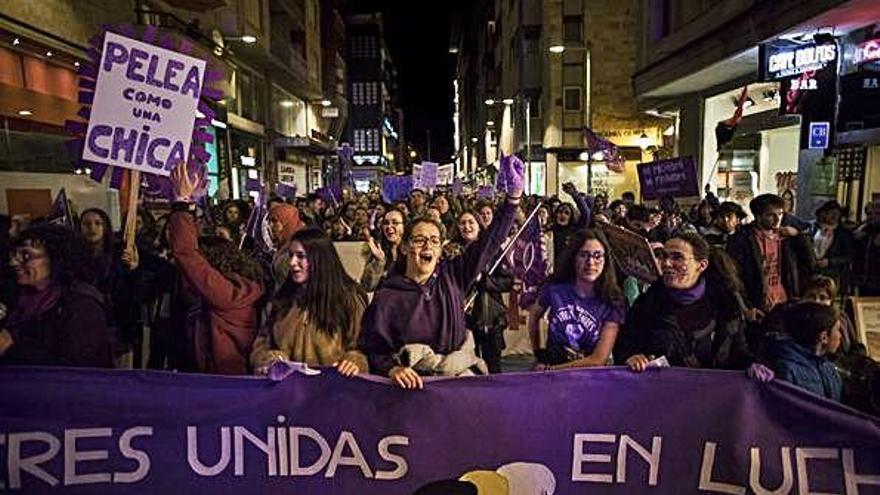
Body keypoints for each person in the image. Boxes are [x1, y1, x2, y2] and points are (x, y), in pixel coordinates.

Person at [360, 156, 524, 388]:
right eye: (419, 240)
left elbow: (490, 242)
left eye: (435, 241)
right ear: (405, 246)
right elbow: (372, 348)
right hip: (410, 389)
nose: (428, 246)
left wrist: (512, 200)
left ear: (441, 248)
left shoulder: (454, 276)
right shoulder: (387, 295)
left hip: (455, 385)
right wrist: (392, 368)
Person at [168, 166, 265, 374]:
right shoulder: (241, 288)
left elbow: (187, 254)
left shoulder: (224, 293)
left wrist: (181, 204)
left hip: (222, 382)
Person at [617, 233, 754, 371]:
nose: (666, 263)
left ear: (701, 265)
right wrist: (631, 357)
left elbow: (738, 352)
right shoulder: (647, 305)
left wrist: (752, 364)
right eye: (664, 256)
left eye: (677, 257)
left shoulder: (726, 305)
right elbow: (625, 345)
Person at [251, 228, 368, 376]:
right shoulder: (280, 301)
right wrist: (267, 359)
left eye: (301, 256)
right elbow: (261, 343)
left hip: (333, 391)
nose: (293, 262)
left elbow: (363, 348)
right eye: (291, 255)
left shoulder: (348, 300)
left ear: (319, 259)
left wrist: (354, 362)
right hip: (288, 392)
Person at [0, 224, 113, 367]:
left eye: (26, 255)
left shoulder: (82, 306)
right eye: (14, 254)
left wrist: (9, 349)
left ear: (56, 258)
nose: (13, 262)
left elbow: (78, 367)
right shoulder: (20, 297)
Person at [528, 229, 624, 370]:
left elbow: (599, 359)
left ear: (606, 260)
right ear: (574, 257)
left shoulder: (613, 300)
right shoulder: (555, 288)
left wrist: (551, 370)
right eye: (584, 255)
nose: (590, 262)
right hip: (552, 368)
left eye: (597, 256)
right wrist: (538, 354)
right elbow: (534, 317)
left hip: (589, 376)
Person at [727, 194, 814, 325]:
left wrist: (797, 235)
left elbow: (810, 262)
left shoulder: (786, 238)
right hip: (757, 302)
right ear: (758, 216)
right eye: (770, 215)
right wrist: (745, 306)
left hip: (784, 299)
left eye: (780, 214)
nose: (777, 219)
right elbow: (733, 276)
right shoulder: (743, 239)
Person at [453, 210, 514, 373]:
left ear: (479, 226)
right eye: (463, 223)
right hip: (462, 318)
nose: (467, 226)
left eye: (471, 222)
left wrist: (486, 282)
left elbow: (508, 281)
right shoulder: (452, 251)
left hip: (489, 318)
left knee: (492, 366)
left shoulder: (493, 252)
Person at [760, 302, 842, 401]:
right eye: (837, 330)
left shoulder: (829, 368)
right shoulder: (786, 370)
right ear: (823, 337)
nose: (840, 335)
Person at [810, 200, 854, 294]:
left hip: (832, 276)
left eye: (837, 214)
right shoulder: (811, 228)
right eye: (831, 213)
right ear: (823, 213)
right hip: (811, 274)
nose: (834, 216)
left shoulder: (844, 234)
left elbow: (849, 256)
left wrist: (830, 262)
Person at [361, 209, 406, 291]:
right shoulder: (377, 250)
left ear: (404, 226)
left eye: (395, 223)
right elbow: (366, 286)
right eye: (386, 223)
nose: (389, 226)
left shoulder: (412, 251)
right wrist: (379, 262)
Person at [266, 203, 304, 291]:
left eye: (275, 221)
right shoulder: (283, 244)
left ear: (287, 221)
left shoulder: (297, 249)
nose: (271, 225)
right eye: (270, 221)